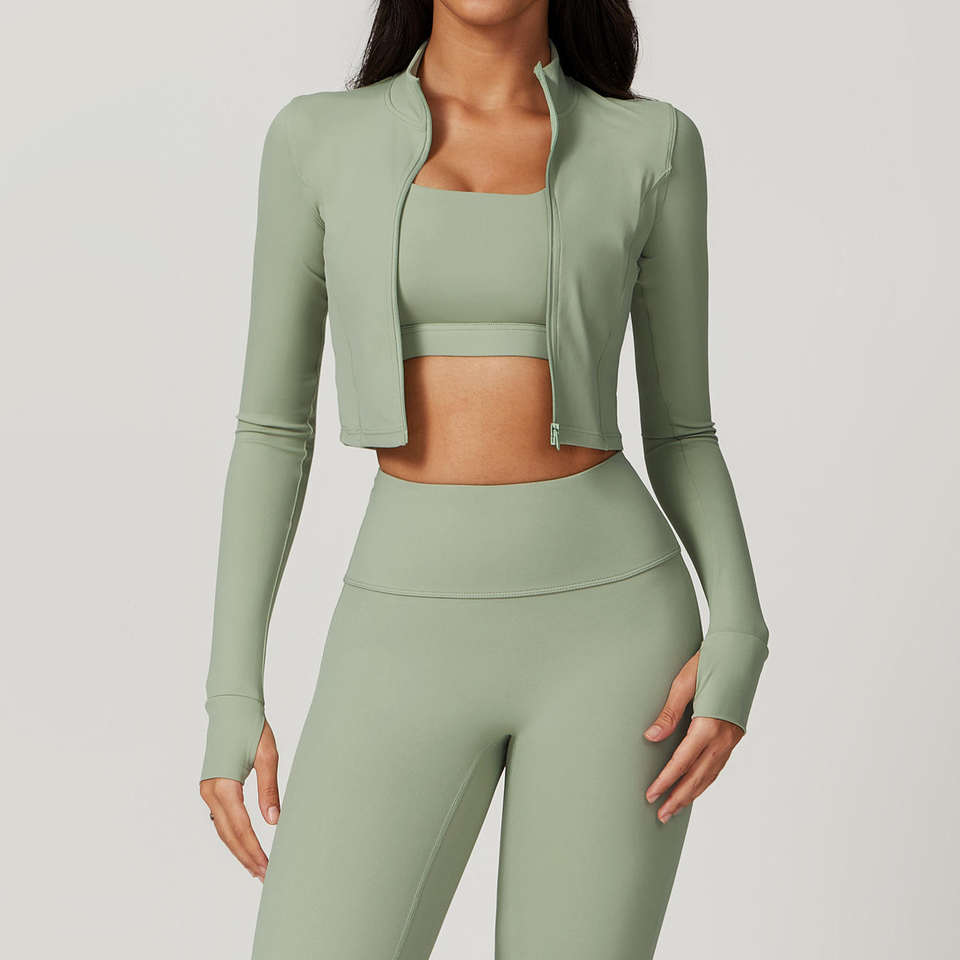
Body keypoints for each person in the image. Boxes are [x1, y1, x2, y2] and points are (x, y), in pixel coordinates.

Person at [199, 2, 770, 957]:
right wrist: (231, 693)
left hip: (615, 637)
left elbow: (683, 429)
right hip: (400, 627)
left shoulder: (651, 145)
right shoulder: (317, 140)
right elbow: (271, 431)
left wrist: (742, 631)